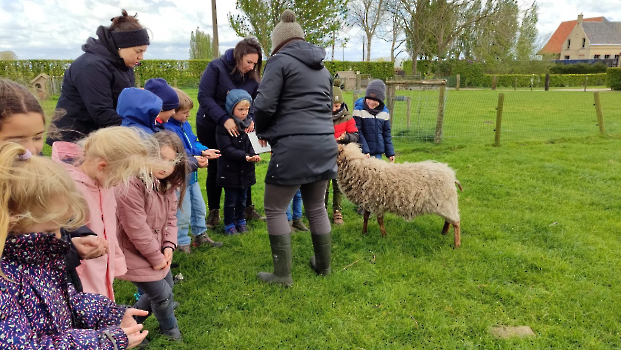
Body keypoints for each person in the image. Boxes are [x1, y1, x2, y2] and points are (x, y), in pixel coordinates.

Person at [0, 142, 149, 349]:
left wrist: (110, 314)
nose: (60, 238)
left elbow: (67, 301)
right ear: (11, 222)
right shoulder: (6, 278)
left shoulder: (38, 257)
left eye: (61, 229)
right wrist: (104, 342)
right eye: (50, 231)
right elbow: (20, 345)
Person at [0, 78, 108, 292]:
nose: (32, 150)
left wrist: (77, 234)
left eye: (38, 137)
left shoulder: (35, 171)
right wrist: (69, 252)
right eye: (17, 140)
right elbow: (23, 271)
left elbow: (55, 213)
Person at [254, 10, 337, 287]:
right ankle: (323, 266)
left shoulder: (278, 63)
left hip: (293, 146)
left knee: (275, 208)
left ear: (278, 42)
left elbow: (264, 105)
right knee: (317, 207)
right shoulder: (323, 69)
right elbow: (327, 110)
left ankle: (282, 275)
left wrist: (263, 130)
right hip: (325, 143)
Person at [52, 126, 158, 301]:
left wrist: (115, 261)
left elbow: (109, 226)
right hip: (79, 280)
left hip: (101, 272)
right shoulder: (68, 189)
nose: (122, 182)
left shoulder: (104, 184)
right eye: (122, 176)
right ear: (103, 166)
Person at [115, 131, 187, 341]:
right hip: (132, 251)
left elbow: (171, 219)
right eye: (159, 158)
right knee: (161, 293)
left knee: (167, 288)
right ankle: (170, 330)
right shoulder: (131, 185)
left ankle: (131, 322)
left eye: (172, 161)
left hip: (155, 250)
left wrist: (168, 247)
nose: (165, 166)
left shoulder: (167, 185)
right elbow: (136, 229)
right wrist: (157, 259)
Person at [47, 10, 150, 144]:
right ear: (121, 45)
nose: (141, 57)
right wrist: (139, 133)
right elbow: (102, 112)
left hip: (100, 136)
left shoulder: (123, 65)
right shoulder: (91, 66)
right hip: (74, 138)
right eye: (138, 51)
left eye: (143, 52)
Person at [196, 37, 265, 228]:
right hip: (212, 125)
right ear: (239, 56)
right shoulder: (216, 67)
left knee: (246, 160)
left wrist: (249, 118)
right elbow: (204, 96)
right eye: (249, 62)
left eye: (255, 63)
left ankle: (247, 209)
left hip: (242, 128)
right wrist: (224, 119)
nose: (252, 67)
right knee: (217, 166)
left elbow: (255, 100)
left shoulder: (252, 76)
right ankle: (214, 212)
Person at [165, 88, 222, 252]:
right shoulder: (168, 129)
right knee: (182, 213)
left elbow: (193, 142)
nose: (188, 116)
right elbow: (179, 152)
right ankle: (182, 243)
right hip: (179, 178)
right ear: (171, 111)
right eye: (184, 113)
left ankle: (200, 235)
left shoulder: (185, 125)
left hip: (192, 177)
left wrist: (203, 150)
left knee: (199, 208)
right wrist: (195, 159)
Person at [216, 90, 260, 235]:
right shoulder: (224, 127)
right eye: (240, 109)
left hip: (246, 171)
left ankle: (241, 221)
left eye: (247, 109)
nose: (244, 112)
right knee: (231, 200)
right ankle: (229, 224)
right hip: (230, 171)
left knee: (243, 198)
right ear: (231, 108)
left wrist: (254, 155)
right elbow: (226, 149)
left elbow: (252, 145)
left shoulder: (249, 125)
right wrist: (245, 156)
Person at [326, 82, 359, 226]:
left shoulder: (347, 117)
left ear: (342, 104)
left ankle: (337, 211)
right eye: (331, 105)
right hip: (324, 156)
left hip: (340, 158)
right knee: (323, 185)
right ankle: (321, 209)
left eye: (337, 106)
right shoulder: (320, 116)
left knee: (338, 185)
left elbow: (355, 136)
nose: (334, 109)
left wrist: (345, 138)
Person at [353, 79, 395, 162]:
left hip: (378, 153)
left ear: (381, 100)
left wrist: (390, 152)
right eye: (369, 98)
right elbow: (357, 131)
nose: (371, 102)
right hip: (364, 153)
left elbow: (387, 133)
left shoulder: (384, 112)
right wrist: (364, 150)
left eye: (375, 100)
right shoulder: (359, 110)